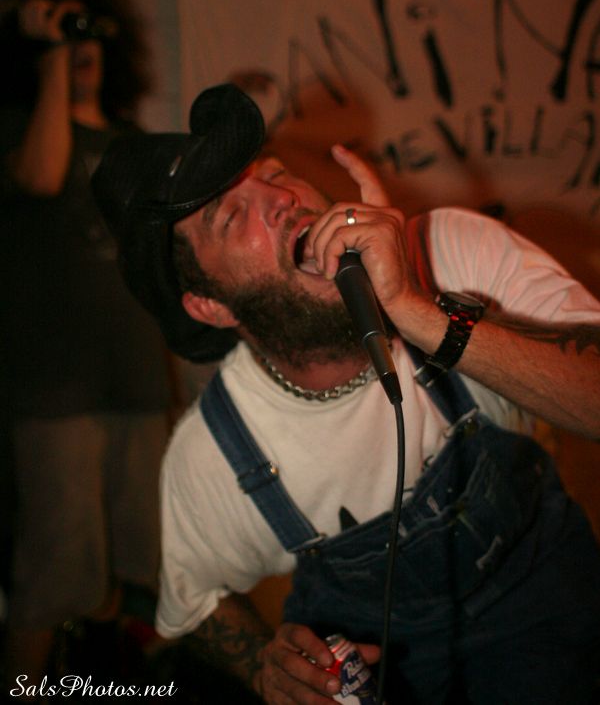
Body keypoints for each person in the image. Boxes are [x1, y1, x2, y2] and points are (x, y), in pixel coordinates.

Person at [91, 84, 600, 704]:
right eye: (231, 216)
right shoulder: (218, 453)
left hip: (559, 629)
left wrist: (417, 311)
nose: (281, 199)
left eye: (273, 174)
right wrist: (263, 666)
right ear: (210, 306)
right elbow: (191, 604)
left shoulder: (449, 252)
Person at [0, 0, 172, 691]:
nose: (82, 41)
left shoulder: (133, 144)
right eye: (65, 27)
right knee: (54, 575)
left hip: (137, 379)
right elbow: (42, 177)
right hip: (54, 393)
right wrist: (48, 56)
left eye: (89, 27)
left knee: (149, 567)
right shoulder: (18, 130)